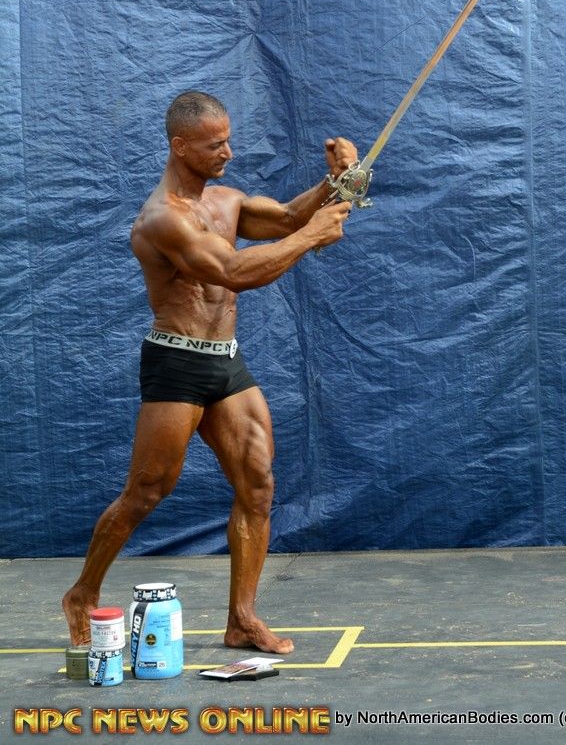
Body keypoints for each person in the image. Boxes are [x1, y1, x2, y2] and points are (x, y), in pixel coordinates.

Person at [63, 90, 357, 654]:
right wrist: (311, 237)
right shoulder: (162, 219)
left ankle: (242, 619)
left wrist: (338, 181)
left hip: (226, 361)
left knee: (258, 484)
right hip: (176, 361)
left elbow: (289, 217)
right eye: (214, 144)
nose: (228, 152)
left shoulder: (227, 200)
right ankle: (82, 592)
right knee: (147, 492)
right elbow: (233, 271)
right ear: (180, 146)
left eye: (228, 140)